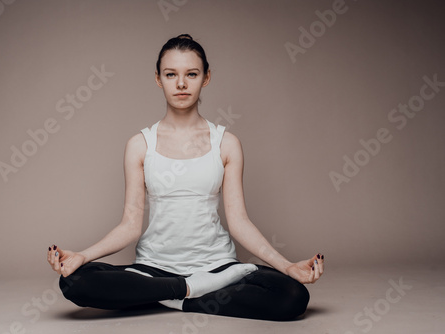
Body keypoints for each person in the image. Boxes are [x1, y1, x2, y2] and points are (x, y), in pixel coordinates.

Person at [47, 34, 324, 321]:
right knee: (75, 281)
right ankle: (186, 289)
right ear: (158, 79)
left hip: (218, 268)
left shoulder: (226, 143)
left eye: (191, 74)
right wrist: (82, 256)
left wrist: (287, 265)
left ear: (205, 78)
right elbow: (130, 226)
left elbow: (239, 221)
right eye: (171, 74)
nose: (181, 84)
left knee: (292, 296)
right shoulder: (139, 145)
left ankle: (172, 297)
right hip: (154, 269)